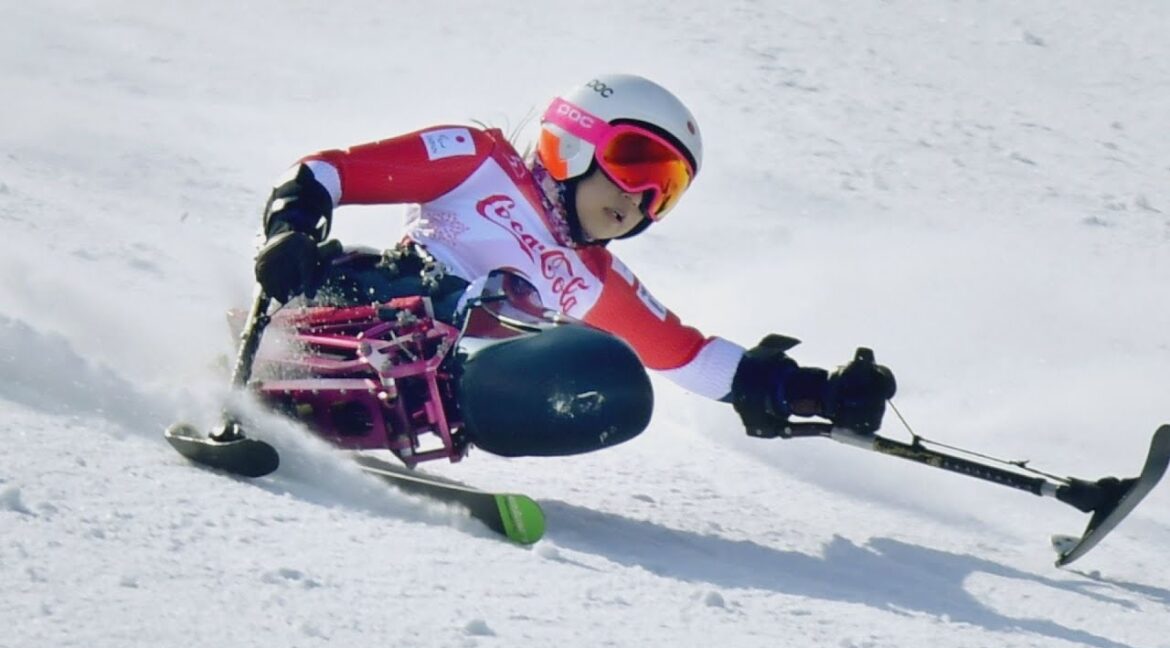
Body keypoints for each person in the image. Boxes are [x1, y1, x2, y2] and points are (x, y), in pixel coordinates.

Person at [252, 73, 896, 457]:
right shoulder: (477, 160)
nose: (638, 200)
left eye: (664, 190)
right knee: (501, 297)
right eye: (636, 164)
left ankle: (409, 411)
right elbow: (323, 172)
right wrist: (291, 232)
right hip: (370, 303)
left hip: (446, 376)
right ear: (576, 138)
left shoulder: (592, 277)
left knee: (613, 376)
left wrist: (807, 390)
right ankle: (311, 371)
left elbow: (686, 355)